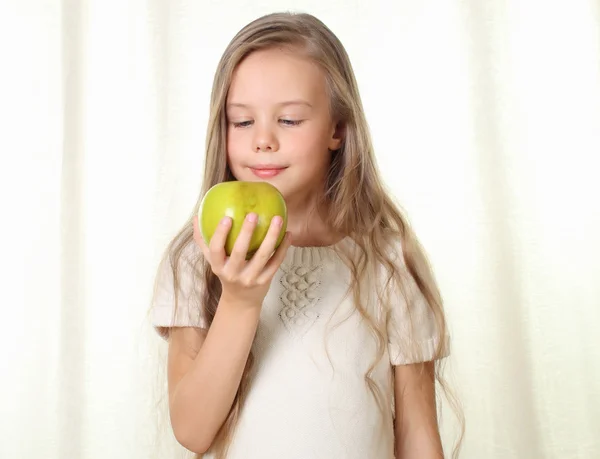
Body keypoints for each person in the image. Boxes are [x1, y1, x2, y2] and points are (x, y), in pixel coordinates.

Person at [150, 11, 462, 459]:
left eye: (289, 120)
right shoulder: (195, 259)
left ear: (337, 129)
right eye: (241, 122)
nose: (263, 141)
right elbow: (193, 431)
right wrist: (240, 299)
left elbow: (417, 437)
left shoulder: (388, 260)